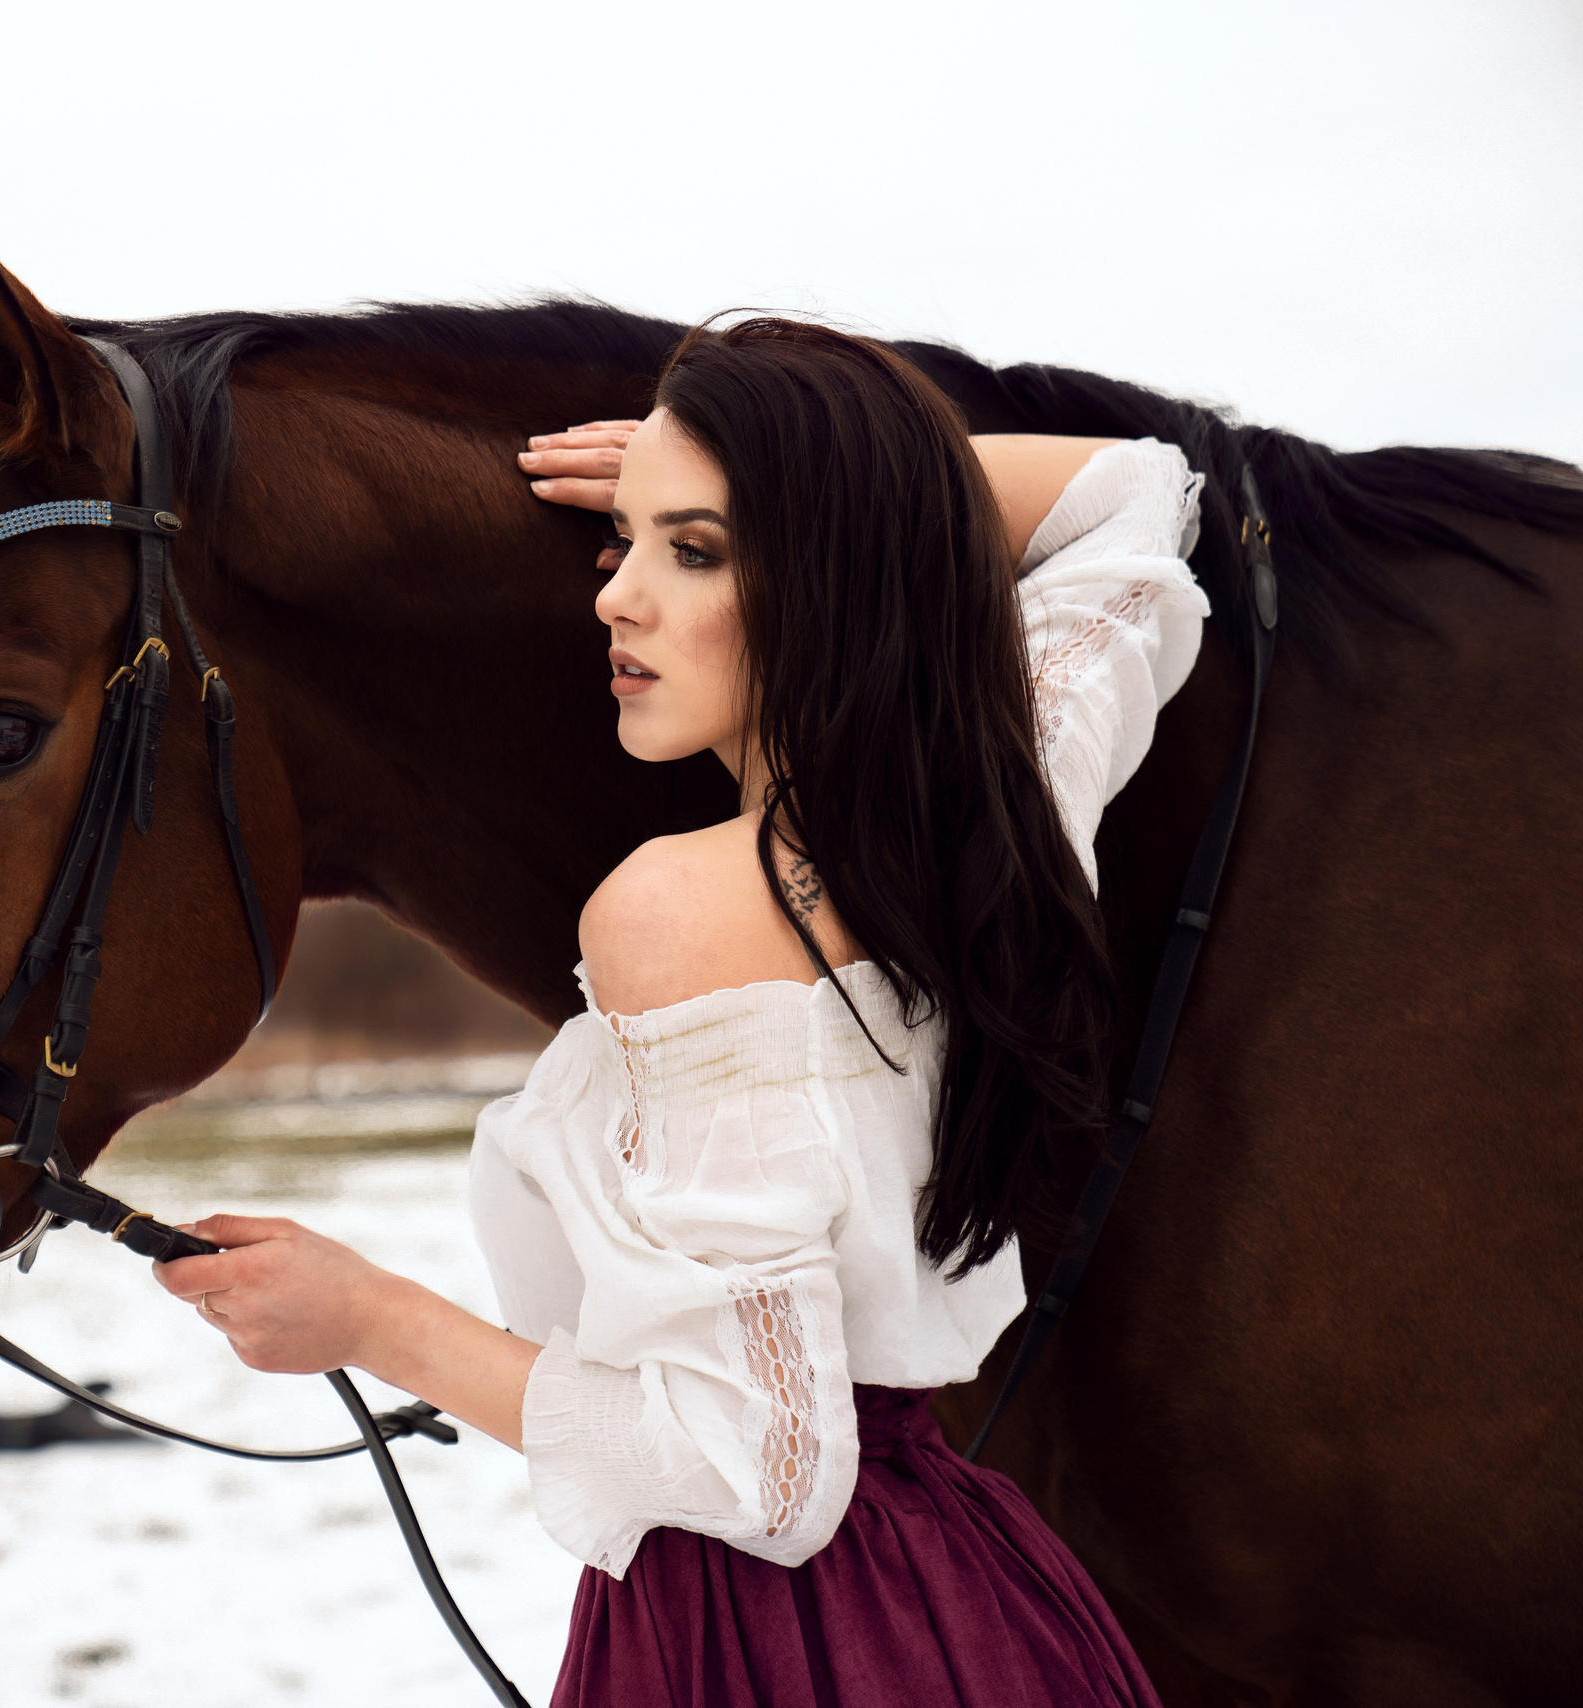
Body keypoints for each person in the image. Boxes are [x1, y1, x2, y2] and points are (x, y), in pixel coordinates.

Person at [154, 317, 1202, 1706]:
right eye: (629, 541)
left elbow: (755, 1465)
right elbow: (1136, 493)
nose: (616, 598)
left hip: (777, 1647)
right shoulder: (1011, 802)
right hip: (977, 1604)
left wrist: (363, 1316)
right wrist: (778, 482)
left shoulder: (683, 907)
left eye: (693, 552)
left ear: (838, 574)